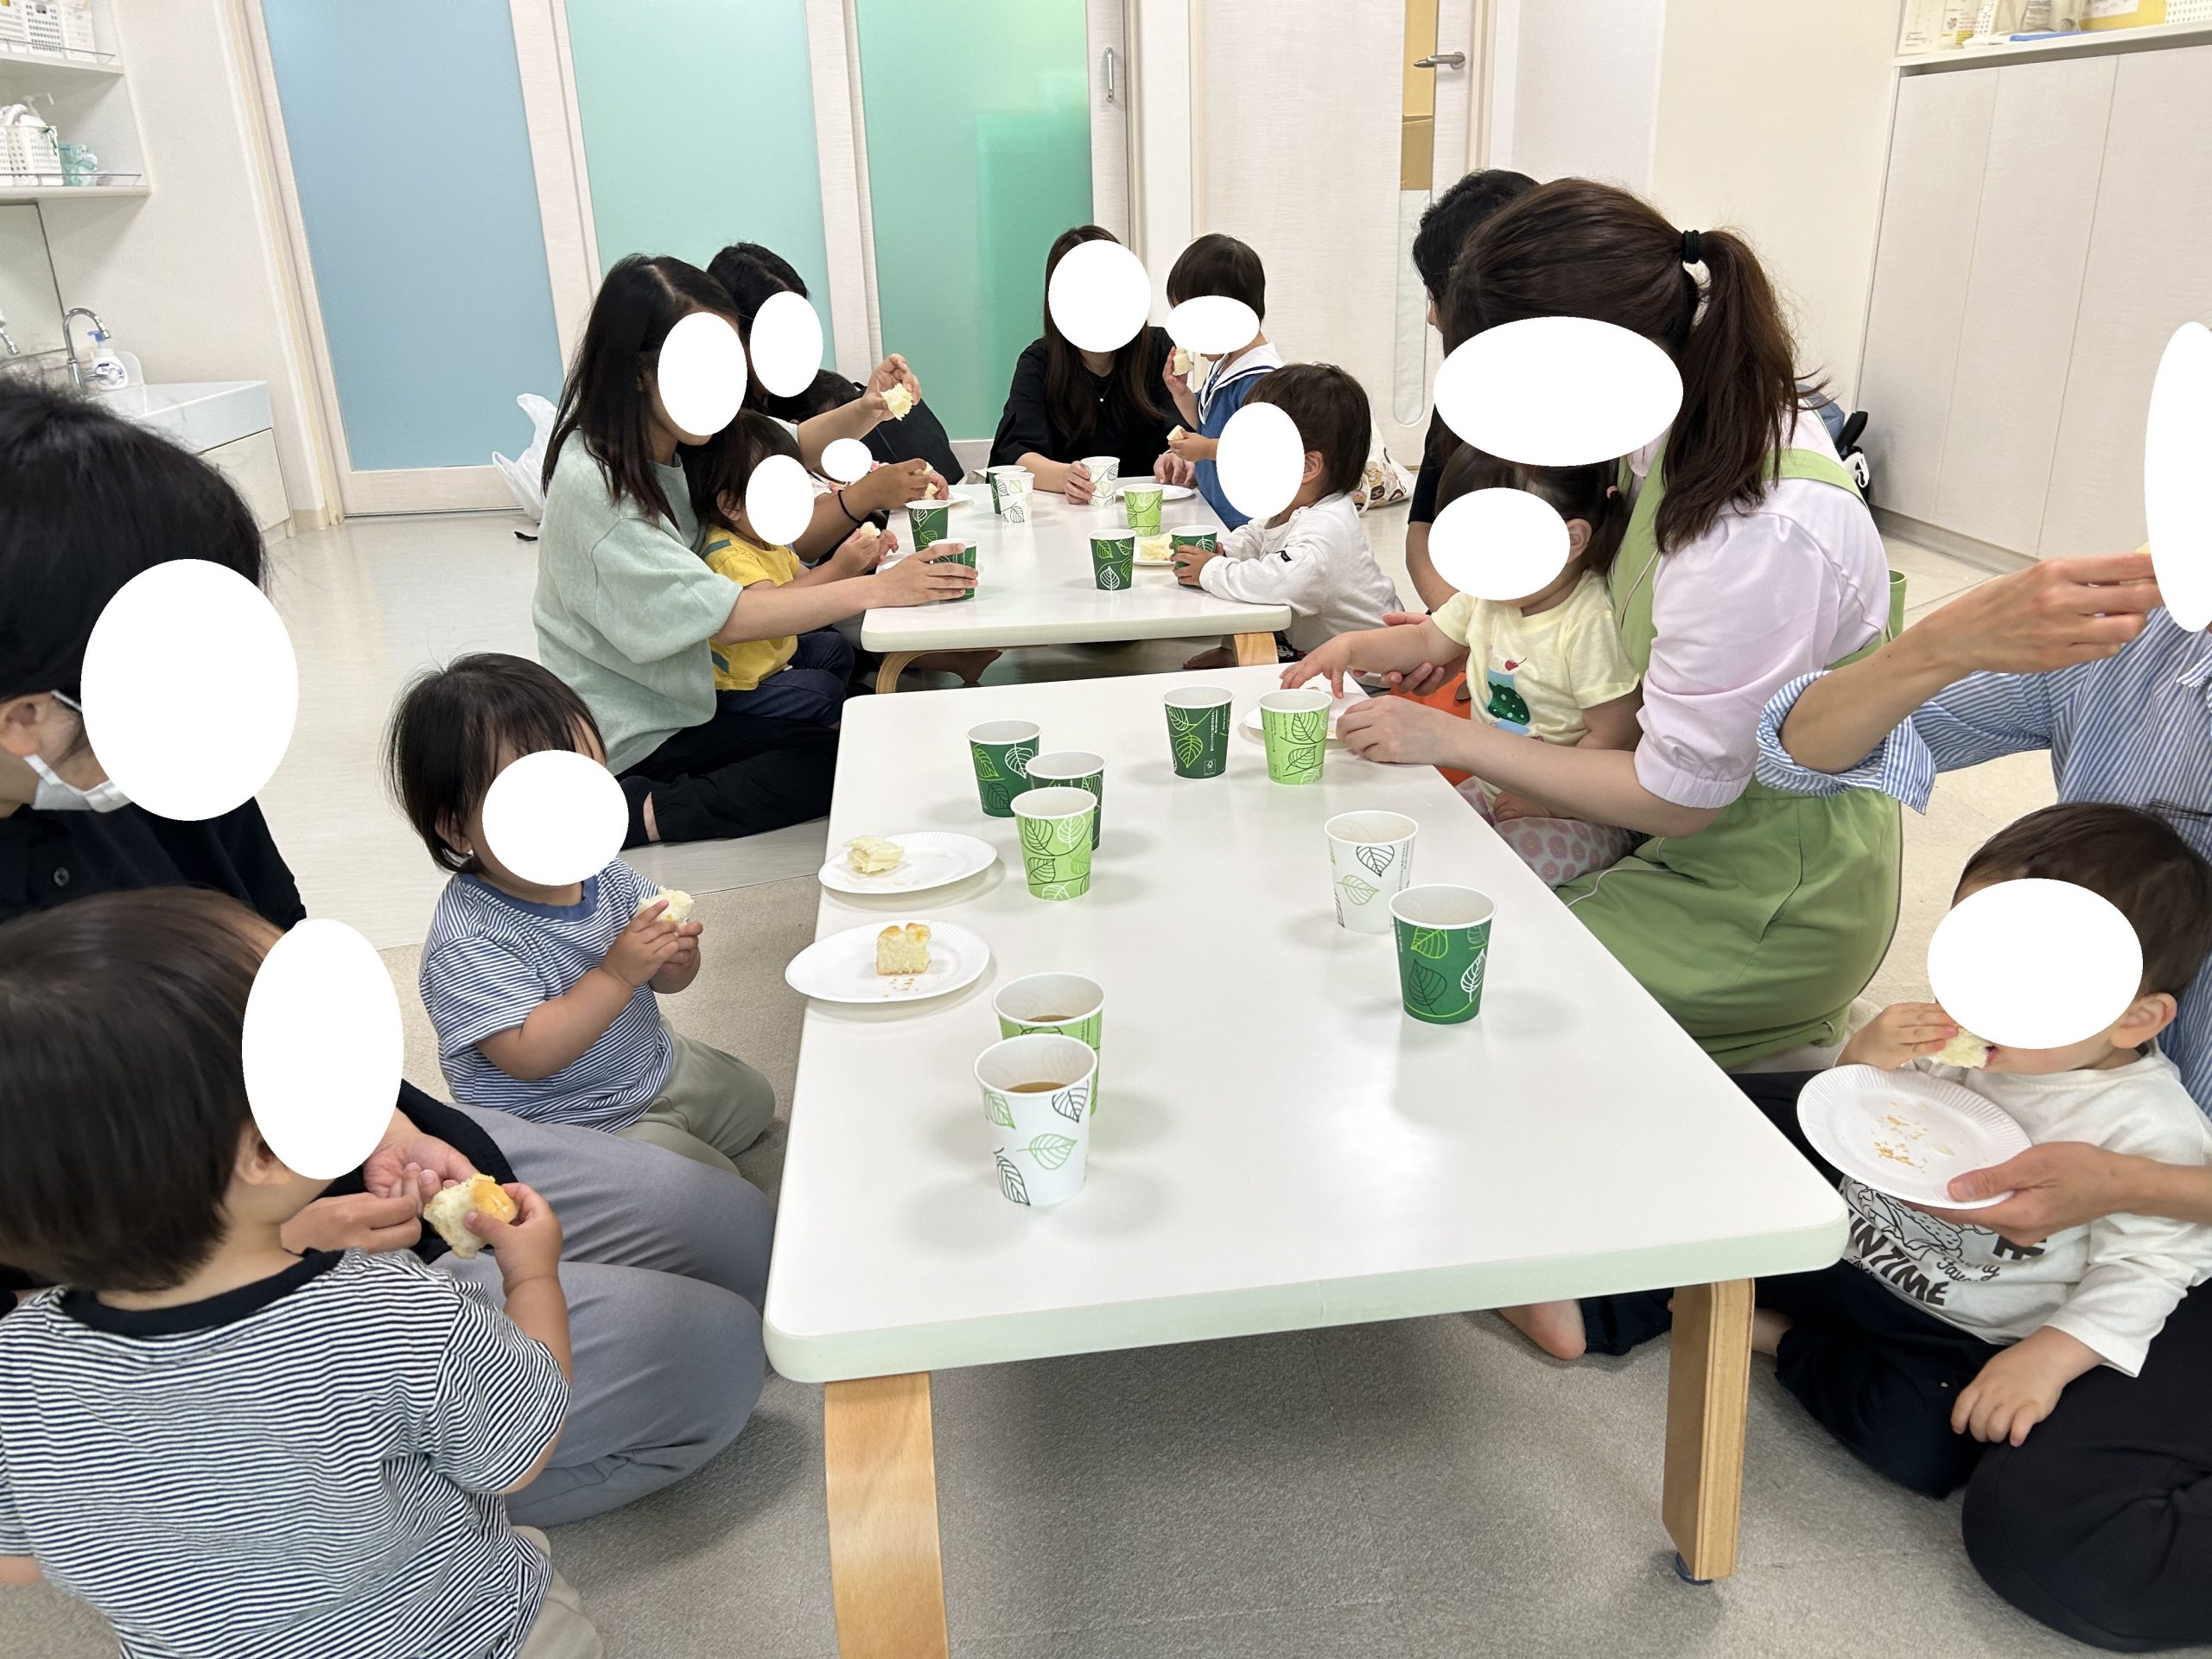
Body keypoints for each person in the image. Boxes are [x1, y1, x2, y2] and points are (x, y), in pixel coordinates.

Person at [0, 379, 771, 1528]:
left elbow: (284, 967)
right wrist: (258, 1245)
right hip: (184, 1282)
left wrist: (379, 1124)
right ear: (26, 711)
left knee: (742, 1238)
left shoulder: (161, 769)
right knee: (711, 1358)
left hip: (333, 1160)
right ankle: (319, 1523)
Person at [1336, 180, 1900, 1075]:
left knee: (1442, 972)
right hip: (1666, 838)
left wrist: (1451, 736)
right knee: (1417, 904)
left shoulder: (1753, 528)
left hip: (1756, 901)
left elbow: (1677, 796)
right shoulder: (1669, 438)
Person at [1754, 547, 2211, 1650]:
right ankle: (1622, 1296)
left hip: (2152, 1217)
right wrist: (1938, 647)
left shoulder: (2141, 1115)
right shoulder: (2142, 632)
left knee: (2063, 1537)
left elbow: (2147, 1257)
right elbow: (1798, 755)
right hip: (2009, 1185)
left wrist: (2130, 1188)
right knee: (1716, 1126)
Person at [0, 888, 601, 1658]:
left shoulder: (17, 1359)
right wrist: (531, 1277)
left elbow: (18, 1561)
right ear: (265, 1151)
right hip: (457, 1630)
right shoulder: (393, 1310)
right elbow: (519, 1451)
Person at [1580, 804, 2212, 1508]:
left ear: (2134, 1018)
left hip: (1952, 1325)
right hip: (1846, 1247)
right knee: (1723, 1188)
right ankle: (1591, 1310)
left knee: (1930, 1440)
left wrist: (2050, 1357)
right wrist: (1865, 1060)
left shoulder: (2150, 1129)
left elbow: (2149, 1267)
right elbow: (1857, 1123)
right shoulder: (1956, 1040)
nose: (1977, 1002)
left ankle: (1784, 1340)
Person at [537, 256, 899, 845]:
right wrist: (879, 588)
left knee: (850, 703)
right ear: (638, 371)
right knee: (837, 757)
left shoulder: (678, 430)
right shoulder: (598, 490)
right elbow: (732, 617)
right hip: (639, 729)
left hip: (694, 683)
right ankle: (641, 811)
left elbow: (787, 445)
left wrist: (868, 406)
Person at [391, 653, 774, 1174]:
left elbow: (665, 981)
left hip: (650, 1063)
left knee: (756, 1103)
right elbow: (528, 1055)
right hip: (569, 1122)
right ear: (459, 829)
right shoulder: (468, 940)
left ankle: (668, 1129)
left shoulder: (604, 874)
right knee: (717, 1189)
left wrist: (675, 959)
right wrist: (616, 974)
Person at [1288, 446, 1642, 887]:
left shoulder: (1589, 622)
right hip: (1494, 785)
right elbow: (1425, 641)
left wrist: (1550, 805)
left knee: (1492, 872)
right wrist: (1349, 647)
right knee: (1421, 835)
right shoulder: (1489, 596)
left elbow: (1615, 736)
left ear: (1570, 540)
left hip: (1582, 815)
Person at [683, 412, 969, 728]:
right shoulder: (727, 554)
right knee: (823, 691)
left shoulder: (766, 540)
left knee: (834, 648)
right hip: (743, 685)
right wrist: (840, 566)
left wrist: (859, 562)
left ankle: (825, 705)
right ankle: (821, 715)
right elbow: (778, 605)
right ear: (731, 505)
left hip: (777, 655)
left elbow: (812, 586)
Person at [1168, 364, 1401, 659]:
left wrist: (1211, 570)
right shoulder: (1290, 506)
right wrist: (1227, 551)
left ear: (1307, 466)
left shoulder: (1327, 528)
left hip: (1370, 671)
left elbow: (1279, 582)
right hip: (1318, 653)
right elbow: (1257, 534)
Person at [707, 238, 963, 487]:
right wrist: (868, 495)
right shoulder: (716, 426)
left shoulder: (780, 403)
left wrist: (872, 406)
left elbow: (802, 446)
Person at [1402, 168, 1538, 612]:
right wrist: (1461, 628)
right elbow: (1422, 529)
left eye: (1435, 297)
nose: (1432, 318)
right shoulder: (1462, 394)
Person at [989, 225, 1174, 503]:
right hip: (1065, 513)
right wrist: (1065, 477)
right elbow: (1017, 455)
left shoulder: (1159, 349)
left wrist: (1177, 459)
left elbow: (1181, 434)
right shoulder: (1038, 363)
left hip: (1152, 507)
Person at [1155, 232, 1281, 528]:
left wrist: (1205, 450)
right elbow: (1205, 422)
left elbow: (1257, 450)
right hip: (1217, 514)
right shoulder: (1225, 364)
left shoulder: (1261, 377)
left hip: (1247, 523)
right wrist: (1181, 393)